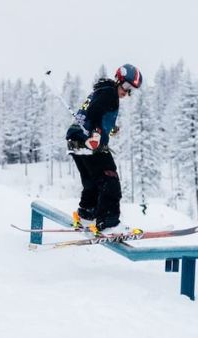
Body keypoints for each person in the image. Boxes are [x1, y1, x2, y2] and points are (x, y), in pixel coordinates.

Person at [66, 64, 143, 234]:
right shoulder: (109, 93)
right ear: (118, 80)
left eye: (132, 90)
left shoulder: (102, 91)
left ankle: (87, 215)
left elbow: (95, 112)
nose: (127, 92)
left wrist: (109, 128)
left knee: (92, 181)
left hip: (75, 139)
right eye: (127, 86)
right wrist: (97, 133)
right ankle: (108, 223)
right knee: (110, 179)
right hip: (89, 141)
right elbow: (94, 112)